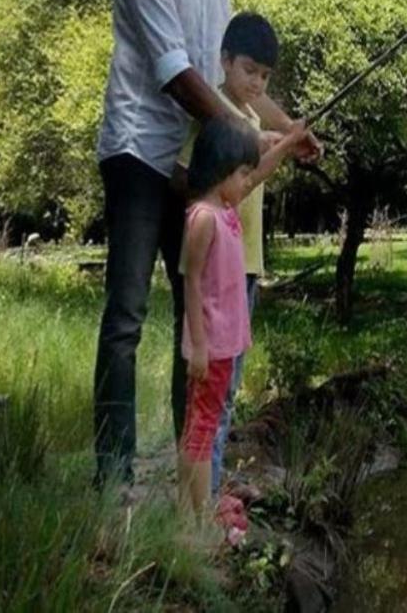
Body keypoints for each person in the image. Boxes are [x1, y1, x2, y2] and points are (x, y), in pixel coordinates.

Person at [93, 0, 317, 487]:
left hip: (190, 164)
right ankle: (113, 478)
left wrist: (287, 129)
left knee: (194, 314)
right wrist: (250, 142)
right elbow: (175, 74)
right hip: (138, 151)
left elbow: (230, 82)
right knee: (127, 314)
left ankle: (188, 472)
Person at [173, 11, 284, 496]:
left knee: (225, 400)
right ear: (224, 61)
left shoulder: (254, 120)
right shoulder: (216, 115)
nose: (256, 82)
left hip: (246, 268)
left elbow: (254, 175)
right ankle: (200, 508)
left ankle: (210, 500)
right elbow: (192, 179)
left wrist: (290, 140)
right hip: (219, 283)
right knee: (208, 410)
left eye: (264, 76)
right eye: (249, 70)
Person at [176, 116, 304, 524]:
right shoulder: (203, 218)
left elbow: (253, 178)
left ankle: (197, 508)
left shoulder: (226, 210)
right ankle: (195, 516)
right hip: (209, 346)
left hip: (225, 345)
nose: (248, 181)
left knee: (207, 424)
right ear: (220, 170)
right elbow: (191, 283)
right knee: (199, 431)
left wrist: (286, 143)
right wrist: (197, 345)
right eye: (242, 172)